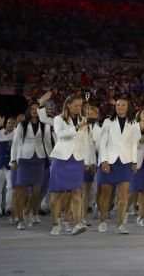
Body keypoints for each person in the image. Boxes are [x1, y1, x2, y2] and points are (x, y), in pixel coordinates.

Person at [47, 94, 94, 236]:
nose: (79, 108)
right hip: (61, 159)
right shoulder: (58, 119)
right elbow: (61, 135)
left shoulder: (83, 120)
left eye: (80, 106)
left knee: (76, 192)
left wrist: (86, 160)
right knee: (57, 194)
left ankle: (77, 223)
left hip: (77, 160)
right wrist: (77, 126)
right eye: (76, 106)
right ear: (68, 105)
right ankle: (55, 224)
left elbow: (85, 141)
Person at [97, 97, 141, 234]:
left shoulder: (134, 123)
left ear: (128, 107)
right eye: (118, 105)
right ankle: (103, 222)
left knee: (123, 195)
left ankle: (120, 224)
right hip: (109, 161)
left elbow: (135, 144)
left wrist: (135, 161)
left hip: (126, 162)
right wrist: (104, 160)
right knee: (106, 194)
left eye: (123, 105)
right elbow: (102, 143)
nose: (120, 107)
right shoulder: (107, 121)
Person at [11, 102, 51, 229]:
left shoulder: (45, 125)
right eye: (32, 109)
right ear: (29, 111)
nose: (34, 111)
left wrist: (52, 159)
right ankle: (20, 219)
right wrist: (13, 160)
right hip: (24, 159)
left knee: (36, 191)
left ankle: (27, 211)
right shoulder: (22, 125)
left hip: (39, 159)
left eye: (37, 109)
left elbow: (48, 144)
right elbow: (15, 143)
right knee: (20, 191)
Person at [0, 115, 15, 219]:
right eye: (9, 122)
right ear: (6, 123)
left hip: (11, 165)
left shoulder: (17, 134)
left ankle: (9, 208)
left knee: (10, 188)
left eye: (13, 123)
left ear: (16, 125)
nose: (10, 124)